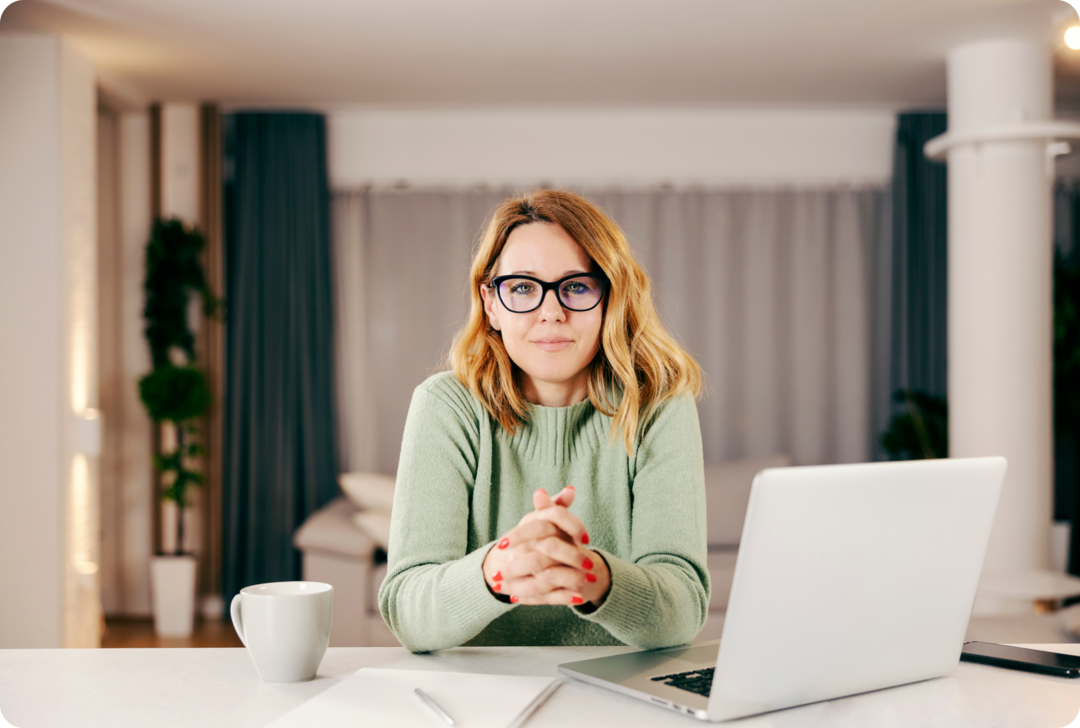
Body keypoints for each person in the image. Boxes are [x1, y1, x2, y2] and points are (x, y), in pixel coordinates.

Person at [378, 189, 709, 653]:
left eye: (576, 285)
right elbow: (408, 612)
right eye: (522, 288)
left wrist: (588, 575)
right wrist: (503, 567)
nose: (550, 312)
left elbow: (684, 608)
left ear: (609, 299)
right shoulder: (444, 406)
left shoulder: (659, 405)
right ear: (491, 304)